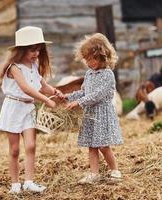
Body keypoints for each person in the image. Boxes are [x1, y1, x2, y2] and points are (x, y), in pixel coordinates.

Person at [0, 26, 63, 193]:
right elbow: (26, 88)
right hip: (14, 108)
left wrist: (55, 92)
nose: (36, 54)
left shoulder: (34, 65)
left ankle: (29, 182)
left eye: (38, 50)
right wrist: (46, 100)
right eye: (32, 50)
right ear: (21, 50)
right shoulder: (14, 68)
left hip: (28, 109)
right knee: (15, 149)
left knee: (31, 145)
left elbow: (41, 85)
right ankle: (15, 184)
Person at [65, 33, 123, 184]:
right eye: (86, 60)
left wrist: (79, 103)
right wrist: (68, 97)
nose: (88, 62)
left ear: (102, 55)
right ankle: (94, 173)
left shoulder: (107, 74)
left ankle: (114, 169)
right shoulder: (89, 74)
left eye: (91, 59)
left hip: (102, 114)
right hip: (90, 114)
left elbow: (97, 95)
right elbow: (84, 91)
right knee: (92, 146)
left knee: (103, 145)